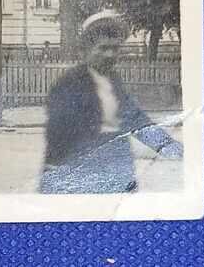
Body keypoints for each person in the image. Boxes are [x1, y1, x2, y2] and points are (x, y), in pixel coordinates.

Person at [39, 10, 182, 193]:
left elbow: (135, 119)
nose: (110, 54)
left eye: (114, 48)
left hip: (120, 170)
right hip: (85, 176)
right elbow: (58, 138)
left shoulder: (114, 81)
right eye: (103, 48)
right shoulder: (68, 85)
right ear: (85, 50)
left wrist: (167, 146)